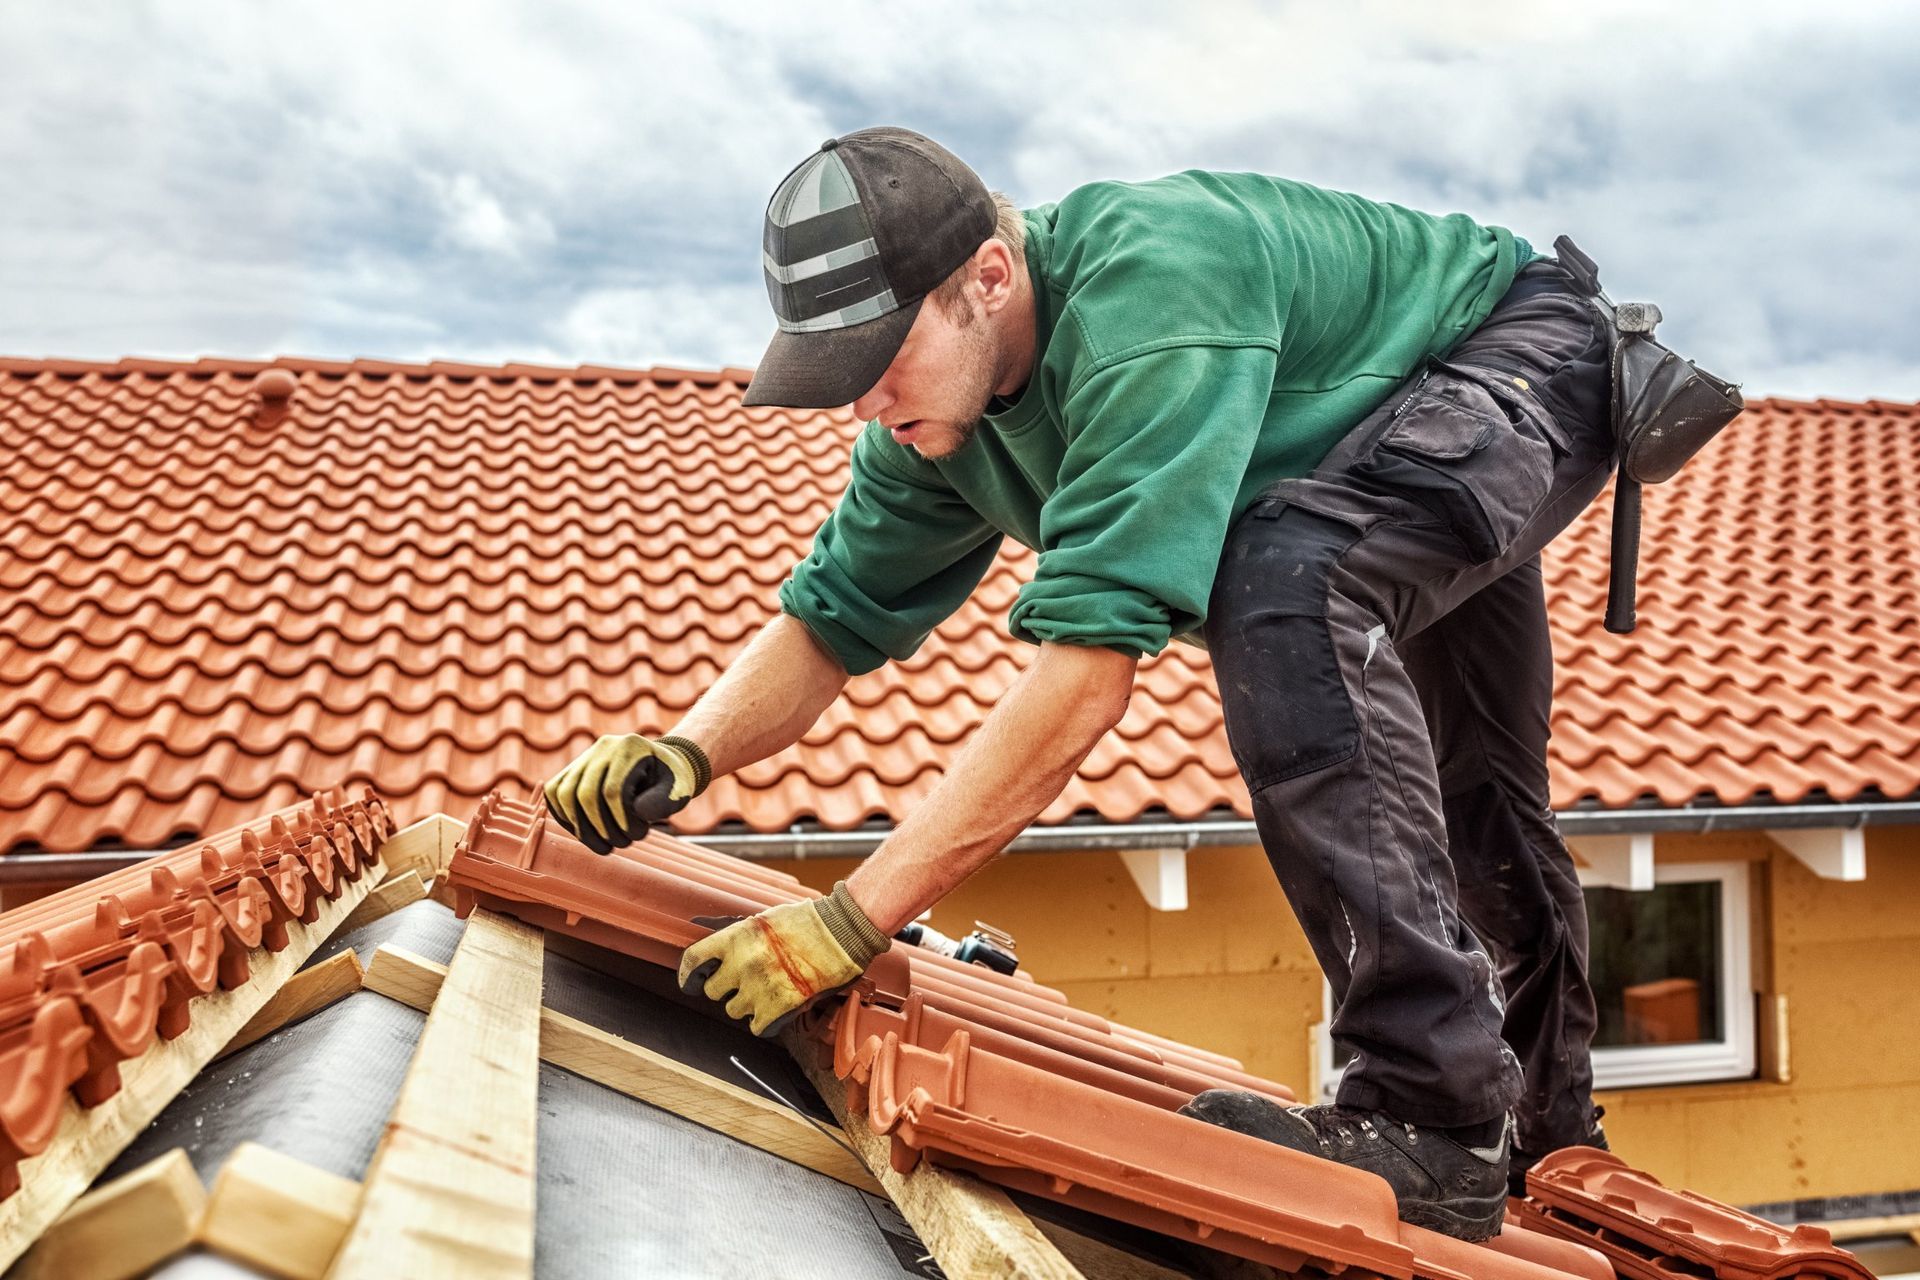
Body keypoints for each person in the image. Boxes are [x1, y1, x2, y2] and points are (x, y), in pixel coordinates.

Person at [544, 126, 1613, 1241]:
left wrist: (849, 921)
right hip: (1387, 430)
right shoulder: (936, 425)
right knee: (1475, 781)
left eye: (877, 356)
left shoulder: (1149, 292)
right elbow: (831, 620)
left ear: (988, 279)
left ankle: (1435, 1110)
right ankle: (1548, 1136)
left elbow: (1085, 680)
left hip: (1519, 351)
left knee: (1286, 586)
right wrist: (687, 748)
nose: (862, 402)